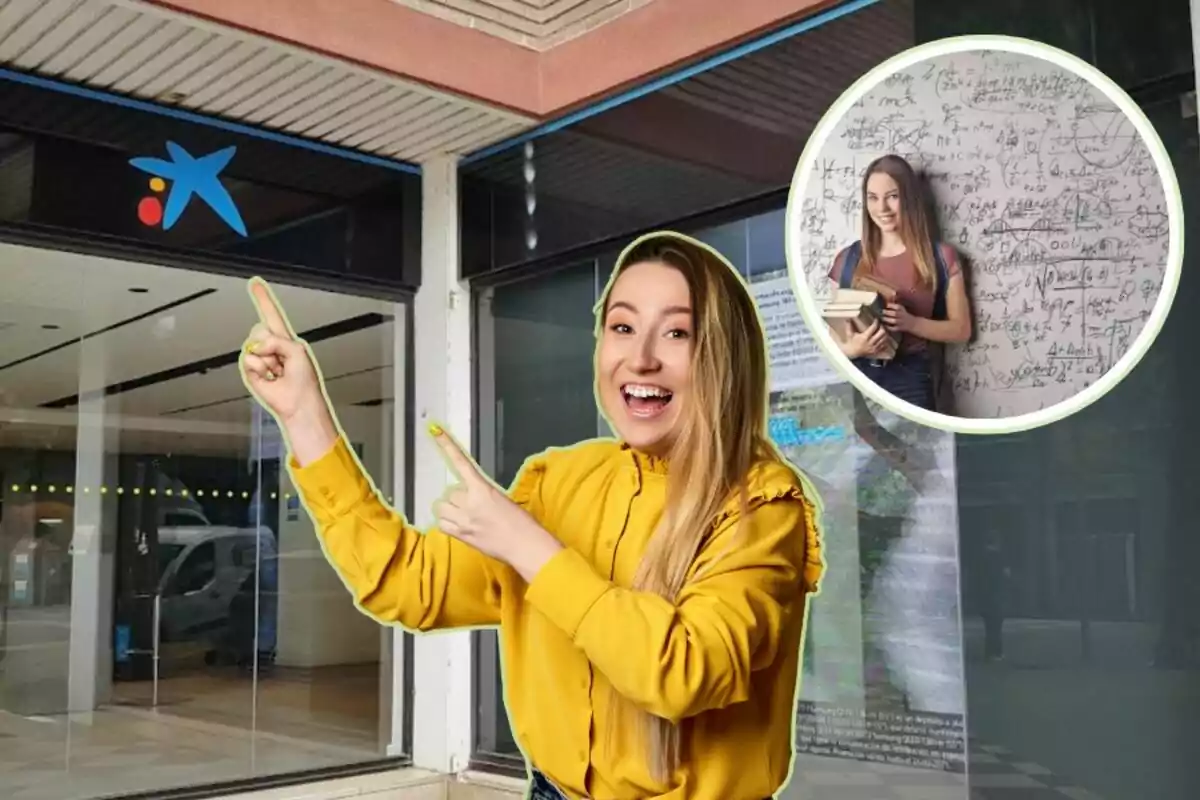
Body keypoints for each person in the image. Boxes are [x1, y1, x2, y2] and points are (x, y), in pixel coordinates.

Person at [238, 231, 825, 800]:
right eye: (621, 327)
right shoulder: (558, 480)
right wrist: (304, 415)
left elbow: (685, 672)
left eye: (677, 332)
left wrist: (529, 546)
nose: (640, 358)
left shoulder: (763, 508)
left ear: (725, 355)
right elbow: (404, 585)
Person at [827, 154, 972, 411]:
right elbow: (834, 336)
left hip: (913, 379)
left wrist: (912, 323)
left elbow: (961, 330)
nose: (881, 208)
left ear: (909, 199)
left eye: (892, 196)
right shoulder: (846, 260)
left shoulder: (941, 257)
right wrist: (853, 349)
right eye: (873, 198)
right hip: (860, 378)